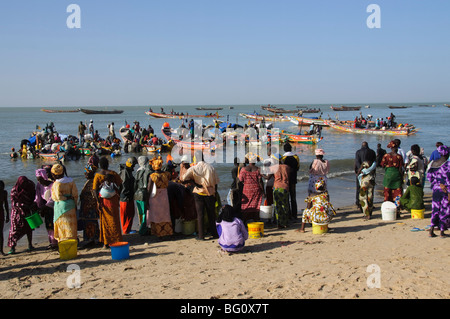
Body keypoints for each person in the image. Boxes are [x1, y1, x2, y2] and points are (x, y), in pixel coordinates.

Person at [181, 151, 220, 240]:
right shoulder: (211, 167)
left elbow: (183, 180)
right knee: (211, 214)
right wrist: (215, 194)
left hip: (199, 192)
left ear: (195, 158)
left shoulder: (193, 168)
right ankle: (214, 234)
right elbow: (216, 182)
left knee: (200, 214)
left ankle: (201, 236)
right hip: (210, 192)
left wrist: (193, 182)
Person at [93, 156, 123, 248]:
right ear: (108, 164)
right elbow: (121, 184)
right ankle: (116, 239)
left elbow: (94, 190)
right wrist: (117, 194)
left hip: (103, 201)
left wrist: (98, 201)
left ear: (99, 165)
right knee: (115, 220)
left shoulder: (98, 176)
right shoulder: (113, 173)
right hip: (113, 200)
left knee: (105, 221)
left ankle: (106, 242)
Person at [7, 176, 36, 254]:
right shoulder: (15, 190)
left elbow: (34, 197)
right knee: (15, 229)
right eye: (23, 183)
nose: (25, 185)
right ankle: (12, 247)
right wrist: (22, 205)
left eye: (26, 183)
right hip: (17, 212)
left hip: (28, 211)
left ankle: (30, 245)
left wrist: (33, 205)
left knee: (29, 228)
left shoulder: (30, 187)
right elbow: (14, 203)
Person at [426, 145, 450, 237]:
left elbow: (430, 177)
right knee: (445, 209)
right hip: (446, 190)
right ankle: (442, 231)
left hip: (436, 189)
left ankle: (431, 230)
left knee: (435, 209)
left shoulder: (433, 163)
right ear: (447, 154)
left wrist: (438, 183)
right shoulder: (448, 165)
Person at [51, 164, 78, 243]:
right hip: (71, 205)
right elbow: (75, 194)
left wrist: (65, 198)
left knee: (62, 226)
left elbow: (57, 197)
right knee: (71, 226)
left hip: (61, 207)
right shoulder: (71, 181)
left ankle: (64, 242)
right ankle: (73, 241)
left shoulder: (57, 184)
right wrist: (74, 203)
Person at [147, 157, 173, 239]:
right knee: (165, 214)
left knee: (156, 215)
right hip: (164, 196)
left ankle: (158, 233)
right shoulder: (166, 174)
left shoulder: (152, 176)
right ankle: (167, 232)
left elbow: (149, 189)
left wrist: (147, 200)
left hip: (155, 197)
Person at [34, 168, 57, 250]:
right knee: (48, 225)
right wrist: (38, 206)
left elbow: (53, 198)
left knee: (52, 224)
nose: (39, 181)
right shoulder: (39, 185)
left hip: (52, 207)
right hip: (45, 207)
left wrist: (46, 206)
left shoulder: (52, 185)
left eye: (40, 179)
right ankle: (51, 242)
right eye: (38, 180)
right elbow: (38, 196)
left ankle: (55, 242)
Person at [380, 141, 404, 217]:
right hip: (397, 175)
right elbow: (400, 169)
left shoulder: (386, 156)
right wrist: (402, 177)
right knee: (397, 194)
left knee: (387, 193)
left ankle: (387, 210)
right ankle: (397, 211)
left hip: (388, 176)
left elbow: (382, 165)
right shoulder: (399, 156)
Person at [78, 164, 100, 247]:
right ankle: (93, 239)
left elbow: (92, 196)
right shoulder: (90, 181)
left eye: (87, 173)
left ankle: (92, 239)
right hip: (88, 207)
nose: (85, 174)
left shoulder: (92, 183)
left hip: (90, 207)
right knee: (90, 223)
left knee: (90, 223)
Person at [238, 154, 265, 223]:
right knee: (256, 204)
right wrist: (263, 191)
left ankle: (245, 219)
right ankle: (256, 218)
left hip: (246, 189)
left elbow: (240, 180)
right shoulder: (258, 169)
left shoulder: (243, 169)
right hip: (256, 189)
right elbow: (260, 181)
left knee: (246, 204)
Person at [354, 142, 376, 207]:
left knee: (359, 187)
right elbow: (374, 163)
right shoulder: (372, 152)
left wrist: (358, 171)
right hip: (370, 172)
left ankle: (358, 202)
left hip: (361, 172)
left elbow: (357, 162)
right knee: (370, 190)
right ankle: (370, 203)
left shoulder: (358, 152)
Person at [119, 157, 137, 234]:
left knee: (131, 213)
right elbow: (124, 185)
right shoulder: (124, 172)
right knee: (125, 214)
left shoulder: (128, 171)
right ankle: (125, 230)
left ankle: (127, 228)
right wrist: (128, 194)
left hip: (128, 196)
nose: (134, 167)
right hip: (125, 197)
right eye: (133, 165)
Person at [282, 143, 300, 220]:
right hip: (293, 179)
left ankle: (288, 214)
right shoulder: (296, 157)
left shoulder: (283, 158)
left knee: (286, 197)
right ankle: (294, 215)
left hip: (285, 180)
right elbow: (298, 167)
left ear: (284, 149)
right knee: (293, 197)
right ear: (291, 148)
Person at [272, 154, 291, 228]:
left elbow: (270, 176)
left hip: (277, 187)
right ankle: (285, 222)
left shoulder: (273, 167)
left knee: (277, 206)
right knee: (285, 205)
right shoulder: (286, 167)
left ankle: (279, 223)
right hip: (285, 187)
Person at [134, 156, 151, 235]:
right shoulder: (147, 171)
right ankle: (143, 230)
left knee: (140, 212)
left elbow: (135, 184)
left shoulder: (137, 171)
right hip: (144, 194)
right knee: (145, 213)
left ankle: (141, 226)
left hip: (137, 194)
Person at [0, 181, 10, 255]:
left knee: (1, 233)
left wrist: (7, 215)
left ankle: (1, 250)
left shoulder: (4, 193)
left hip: (1, 213)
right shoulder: (3, 192)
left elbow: (6, 204)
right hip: (1, 213)